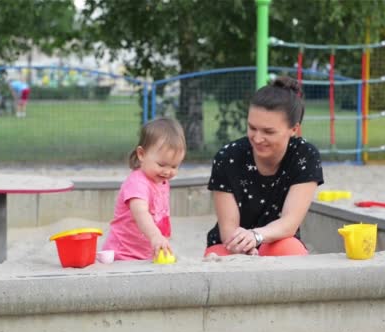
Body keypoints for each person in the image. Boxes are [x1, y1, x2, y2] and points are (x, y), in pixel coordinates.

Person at [204, 76, 324, 257]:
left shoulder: (305, 156)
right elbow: (228, 230)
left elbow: (289, 223)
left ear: (294, 129)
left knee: (291, 249)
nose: (258, 138)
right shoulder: (227, 157)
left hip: (277, 241)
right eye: (252, 128)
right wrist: (247, 247)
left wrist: (257, 236)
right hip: (230, 245)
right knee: (217, 259)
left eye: (269, 132)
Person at [102, 117, 187, 261]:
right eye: (161, 164)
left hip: (146, 253)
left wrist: (162, 237)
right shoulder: (137, 183)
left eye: (174, 166)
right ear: (141, 154)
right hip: (123, 254)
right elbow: (140, 213)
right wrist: (155, 236)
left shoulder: (161, 180)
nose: (167, 172)